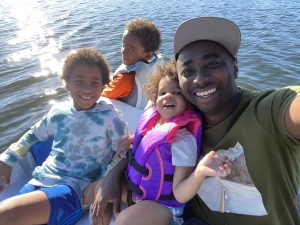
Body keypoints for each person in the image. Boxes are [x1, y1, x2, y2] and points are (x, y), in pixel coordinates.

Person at [173, 17, 300, 225]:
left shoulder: (266, 111)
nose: (200, 79)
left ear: (235, 68)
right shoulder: (184, 120)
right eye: (188, 71)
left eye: (212, 64)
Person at [86, 60, 231, 225]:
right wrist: (130, 141)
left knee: (125, 221)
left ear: (188, 101)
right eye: (162, 93)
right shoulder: (154, 122)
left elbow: (180, 193)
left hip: (163, 207)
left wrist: (200, 172)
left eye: (177, 92)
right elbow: (147, 142)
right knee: (95, 191)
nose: (168, 96)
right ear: (155, 98)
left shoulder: (183, 141)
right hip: (138, 192)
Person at [0, 48, 128, 225]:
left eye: (95, 83)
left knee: (6, 214)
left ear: (103, 86)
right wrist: (8, 159)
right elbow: (32, 135)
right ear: (66, 83)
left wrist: (102, 181)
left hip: (74, 189)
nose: (87, 89)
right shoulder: (58, 112)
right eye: (79, 81)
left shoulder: (110, 119)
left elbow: (123, 152)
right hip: (41, 178)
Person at [101, 18, 163, 109]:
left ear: (148, 55)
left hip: (127, 119)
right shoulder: (155, 61)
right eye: (123, 45)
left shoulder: (125, 78)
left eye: (131, 49)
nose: (123, 51)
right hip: (142, 112)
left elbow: (101, 98)